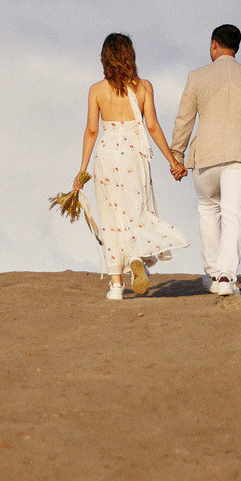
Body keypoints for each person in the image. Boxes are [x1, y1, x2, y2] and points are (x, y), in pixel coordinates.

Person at [72, 33, 192, 300]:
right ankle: (137, 255)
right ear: (130, 56)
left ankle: (116, 285)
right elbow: (151, 126)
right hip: (133, 153)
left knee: (110, 216)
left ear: (104, 58)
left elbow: (92, 130)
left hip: (106, 153)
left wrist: (82, 171)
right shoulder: (144, 87)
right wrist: (173, 161)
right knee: (138, 208)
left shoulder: (96, 90)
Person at [171, 24, 241, 296]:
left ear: (214, 44)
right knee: (234, 213)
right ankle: (226, 278)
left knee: (208, 209)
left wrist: (177, 157)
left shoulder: (197, 77)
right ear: (236, 47)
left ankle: (212, 273)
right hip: (240, 156)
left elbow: (184, 120)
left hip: (204, 157)